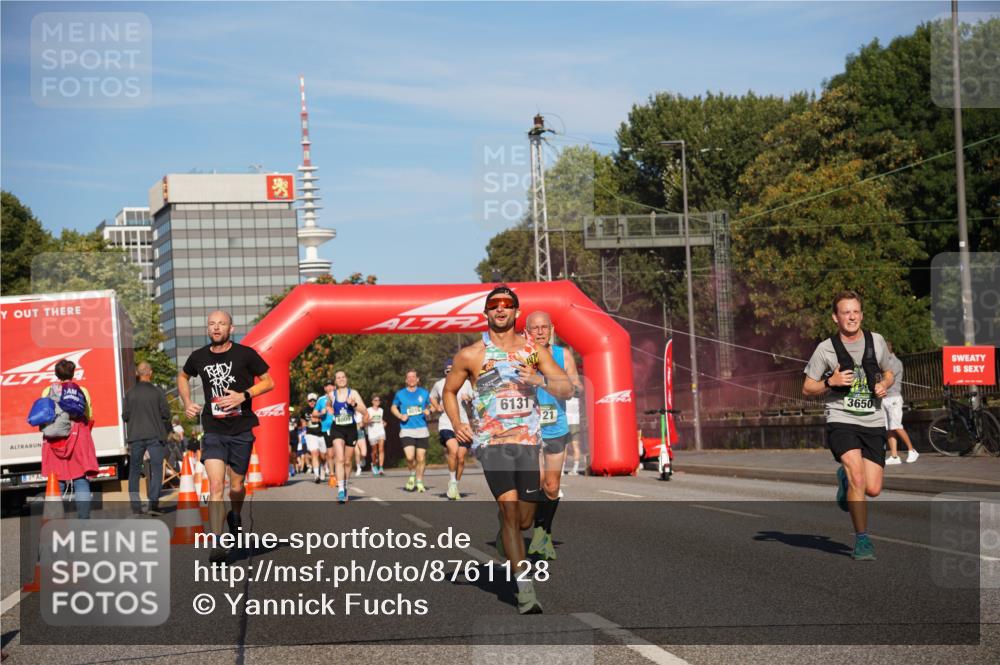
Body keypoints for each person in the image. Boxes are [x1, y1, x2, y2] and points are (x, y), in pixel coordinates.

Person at [444, 285, 572, 614]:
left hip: (528, 442)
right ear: (486, 313)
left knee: (526, 519)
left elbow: (566, 387)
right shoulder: (471, 355)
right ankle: (524, 588)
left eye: (507, 305)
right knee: (510, 511)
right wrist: (458, 422)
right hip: (492, 443)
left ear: (516, 312)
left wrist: (540, 380)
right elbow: (449, 391)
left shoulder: (533, 351)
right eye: (493, 305)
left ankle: (506, 536)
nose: (500, 309)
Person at [803, 291, 894, 561]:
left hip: (873, 421)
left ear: (861, 314)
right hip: (841, 418)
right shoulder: (825, 349)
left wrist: (883, 384)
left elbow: (889, 372)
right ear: (836, 317)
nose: (852, 316)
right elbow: (808, 388)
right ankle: (862, 540)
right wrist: (830, 383)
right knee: (857, 476)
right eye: (846, 312)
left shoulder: (876, 341)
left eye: (856, 311)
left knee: (873, 488)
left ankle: (843, 481)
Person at [179, 310, 274, 563]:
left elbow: (269, 382)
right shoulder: (198, 357)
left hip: (241, 429)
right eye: (212, 324)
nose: (216, 328)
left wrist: (244, 395)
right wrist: (187, 401)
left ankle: (235, 515)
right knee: (216, 485)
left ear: (231, 328)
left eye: (221, 324)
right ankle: (218, 542)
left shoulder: (246, 354)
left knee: (236, 486)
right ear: (207, 329)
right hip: (213, 430)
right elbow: (183, 376)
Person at [524, 311, 582, 560]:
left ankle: (543, 532)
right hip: (529, 427)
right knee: (536, 482)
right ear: (527, 332)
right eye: (535, 328)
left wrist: (570, 386)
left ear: (552, 329)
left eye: (544, 327)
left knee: (552, 486)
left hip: (556, 425)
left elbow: (575, 385)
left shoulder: (563, 354)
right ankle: (537, 531)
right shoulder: (523, 354)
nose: (540, 331)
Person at [40, 358, 97, 519]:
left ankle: (54, 519)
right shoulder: (82, 390)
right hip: (78, 436)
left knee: (56, 479)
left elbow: (44, 415)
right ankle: (84, 520)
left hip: (55, 438)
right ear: (73, 373)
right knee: (80, 478)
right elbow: (89, 415)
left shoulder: (48, 390)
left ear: (56, 374)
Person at [122, 361, 171, 516]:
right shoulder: (158, 392)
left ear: (137, 374)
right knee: (157, 470)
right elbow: (166, 415)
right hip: (155, 435)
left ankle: (136, 507)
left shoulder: (130, 393)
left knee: (134, 471)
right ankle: (153, 504)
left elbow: (125, 416)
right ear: (150, 372)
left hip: (135, 436)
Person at [319, 370, 368, 503]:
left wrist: (354, 405)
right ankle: (340, 490)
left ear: (346, 379)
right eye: (338, 378)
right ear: (335, 381)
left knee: (347, 461)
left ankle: (345, 485)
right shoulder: (332, 394)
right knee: (339, 458)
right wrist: (329, 409)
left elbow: (364, 411)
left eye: (343, 377)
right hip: (337, 429)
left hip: (351, 430)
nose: (341, 379)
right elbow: (328, 405)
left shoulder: (353, 393)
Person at [430, 360, 475, 500]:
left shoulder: (466, 383)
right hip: (446, 422)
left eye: (452, 370)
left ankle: (454, 485)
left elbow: (475, 399)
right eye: (447, 371)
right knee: (453, 450)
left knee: (461, 459)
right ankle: (452, 480)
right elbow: (432, 397)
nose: (450, 373)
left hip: (463, 424)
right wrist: (437, 407)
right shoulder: (439, 384)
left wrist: (468, 398)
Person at [392, 370, 432, 492]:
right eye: (408, 377)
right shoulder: (400, 394)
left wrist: (428, 411)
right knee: (410, 457)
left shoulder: (424, 393)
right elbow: (393, 407)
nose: (411, 379)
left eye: (413, 377)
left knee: (421, 458)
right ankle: (412, 474)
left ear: (417, 379)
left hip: (421, 428)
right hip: (406, 428)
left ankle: (419, 481)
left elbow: (431, 406)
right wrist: (400, 416)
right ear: (406, 380)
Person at [883, 342, 918, 465]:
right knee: (889, 428)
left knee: (897, 426)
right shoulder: (884, 362)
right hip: (884, 398)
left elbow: (887, 379)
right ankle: (894, 456)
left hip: (893, 398)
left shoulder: (894, 362)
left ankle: (912, 450)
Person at [304, 391, 328, 483]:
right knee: (315, 453)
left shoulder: (321, 408)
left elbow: (318, 419)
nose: (312, 402)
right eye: (310, 401)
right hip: (311, 434)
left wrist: (319, 416)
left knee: (323, 456)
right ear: (308, 401)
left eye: (314, 400)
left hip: (321, 434)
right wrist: (319, 416)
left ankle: (322, 467)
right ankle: (316, 475)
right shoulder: (305, 410)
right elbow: (313, 419)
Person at [366, 395, 386, 476]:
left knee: (381, 449)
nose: (377, 402)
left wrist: (384, 422)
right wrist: (369, 421)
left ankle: (381, 468)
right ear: (372, 402)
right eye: (375, 400)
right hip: (372, 432)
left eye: (378, 400)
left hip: (381, 431)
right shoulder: (368, 410)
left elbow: (380, 419)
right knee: (374, 452)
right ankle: (374, 465)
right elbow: (365, 421)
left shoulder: (381, 410)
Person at [564, 395, 583, 475]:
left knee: (564, 447)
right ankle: (575, 469)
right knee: (576, 447)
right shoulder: (577, 398)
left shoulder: (564, 397)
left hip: (566, 422)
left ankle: (561, 470)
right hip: (576, 423)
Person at [353, 408, 368, 478]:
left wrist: (363, 423)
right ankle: (359, 468)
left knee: (363, 453)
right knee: (357, 453)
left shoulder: (361, 413)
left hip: (361, 433)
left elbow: (365, 420)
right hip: (353, 434)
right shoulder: (350, 413)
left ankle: (362, 459)